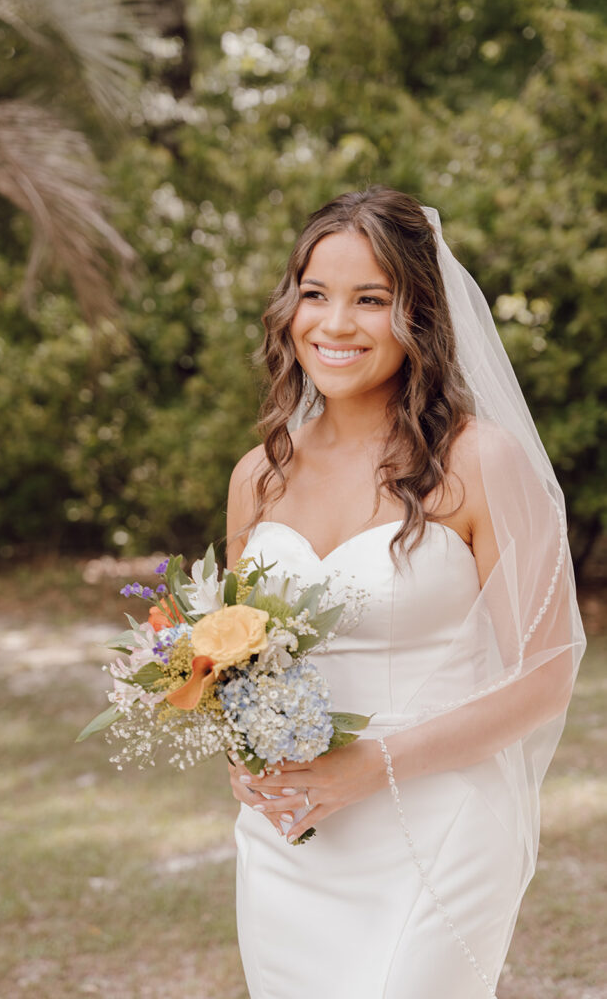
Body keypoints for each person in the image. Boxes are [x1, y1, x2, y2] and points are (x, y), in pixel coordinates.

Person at [224, 186, 585, 999]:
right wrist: (240, 762)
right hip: (292, 839)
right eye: (315, 294)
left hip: (438, 827)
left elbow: (547, 672)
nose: (334, 324)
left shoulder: (478, 462)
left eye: (370, 299)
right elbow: (236, 665)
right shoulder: (258, 476)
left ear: (418, 313)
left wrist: (370, 766)